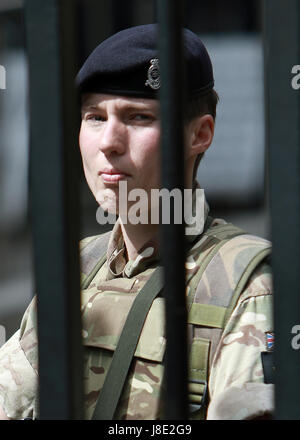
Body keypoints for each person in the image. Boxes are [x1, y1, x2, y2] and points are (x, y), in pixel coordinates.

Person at [0, 23, 274, 420]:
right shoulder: (78, 268)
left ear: (200, 134)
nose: (109, 142)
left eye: (138, 117)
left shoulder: (248, 285)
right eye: (94, 117)